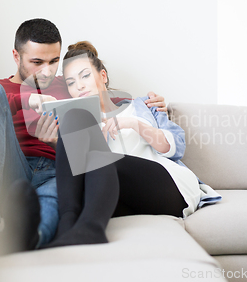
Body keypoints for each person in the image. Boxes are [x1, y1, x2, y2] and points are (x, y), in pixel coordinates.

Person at [0, 19, 168, 253]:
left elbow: (111, 104)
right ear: (16, 56)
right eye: (37, 62)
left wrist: (151, 105)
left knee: (54, 204)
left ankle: (28, 238)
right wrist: (26, 100)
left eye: (54, 61)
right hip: (10, 166)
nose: (47, 71)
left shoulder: (70, 85)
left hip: (58, 171)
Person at [43, 41, 221, 248]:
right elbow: (80, 175)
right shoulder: (81, 126)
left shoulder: (142, 106)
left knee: (99, 159)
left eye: (85, 76)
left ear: (102, 76)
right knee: (74, 117)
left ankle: (91, 229)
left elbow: (174, 147)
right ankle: (67, 226)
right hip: (119, 194)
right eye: (71, 82)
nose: (79, 86)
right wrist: (57, 143)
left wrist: (132, 124)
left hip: (168, 188)